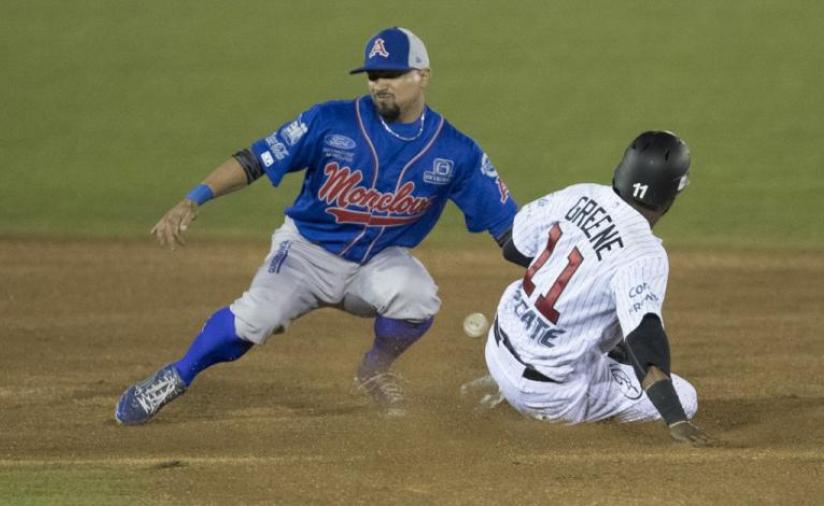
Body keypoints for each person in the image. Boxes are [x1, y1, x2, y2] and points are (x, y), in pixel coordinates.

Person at [115, 26, 518, 424]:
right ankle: (176, 376)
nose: (380, 84)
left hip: (378, 261)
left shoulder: (456, 151)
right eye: (374, 75)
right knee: (255, 319)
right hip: (305, 252)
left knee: (417, 296)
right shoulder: (330, 120)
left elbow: (508, 230)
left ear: (423, 75)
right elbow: (256, 160)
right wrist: (194, 199)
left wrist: (548, 262)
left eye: (392, 74)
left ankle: (374, 370)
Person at [476, 130, 711, 444]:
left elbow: (513, 248)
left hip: (496, 348)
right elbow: (645, 339)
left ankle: (503, 382)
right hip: (547, 397)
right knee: (685, 395)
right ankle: (525, 399)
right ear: (671, 193)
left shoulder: (581, 193)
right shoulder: (644, 253)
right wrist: (675, 417)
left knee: (615, 337)